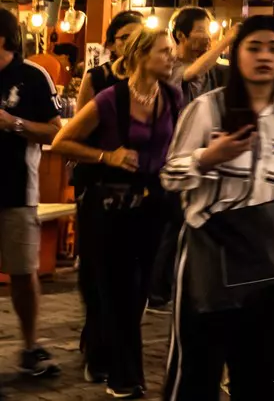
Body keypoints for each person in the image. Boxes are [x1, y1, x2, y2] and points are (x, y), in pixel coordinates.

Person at [161, 15, 274, 401]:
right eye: (254, 47)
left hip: (266, 260)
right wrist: (207, 158)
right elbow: (169, 176)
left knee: (260, 376)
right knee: (196, 373)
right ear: (236, 53)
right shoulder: (209, 109)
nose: (264, 56)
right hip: (209, 253)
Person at [54, 21, 179, 397]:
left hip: (153, 204)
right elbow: (63, 141)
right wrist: (106, 155)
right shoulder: (111, 99)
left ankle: (104, 354)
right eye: (164, 51)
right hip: (109, 207)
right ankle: (124, 376)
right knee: (116, 288)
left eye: (172, 51)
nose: (171, 57)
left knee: (136, 291)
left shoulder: (172, 97)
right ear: (141, 55)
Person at [0, 8, 59, 381]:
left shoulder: (32, 76)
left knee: (22, 272)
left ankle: (30, 345)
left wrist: (12, 123)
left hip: (16, 189)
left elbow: (56, 132)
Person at [75, 12, 142, 105]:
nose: (133, 42)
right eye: (125, 37)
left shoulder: (152, 75)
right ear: (111, 45)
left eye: (139, 37)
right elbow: (79, 117)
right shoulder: (97, 76)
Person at [170, 9, 231, 105]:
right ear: (180, 35)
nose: (208, 36)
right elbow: (191, 74)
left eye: (208, 31)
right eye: (201, 31)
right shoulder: (170, 66)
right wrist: (226, 40)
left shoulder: (210, 69)